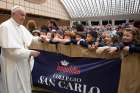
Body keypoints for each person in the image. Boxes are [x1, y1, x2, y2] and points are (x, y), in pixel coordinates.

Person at [0, 6, 40, 93]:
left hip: (22, 62)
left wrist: (39, 39)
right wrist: (29, 52)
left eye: (25, 15)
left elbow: (30, 39)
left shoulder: (21, 27)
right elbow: (9, 52)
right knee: (14, 87)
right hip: (12, 64)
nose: (23, 18)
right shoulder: (5, 27)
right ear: (13, 14)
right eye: (21, 15)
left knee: (24, 86)